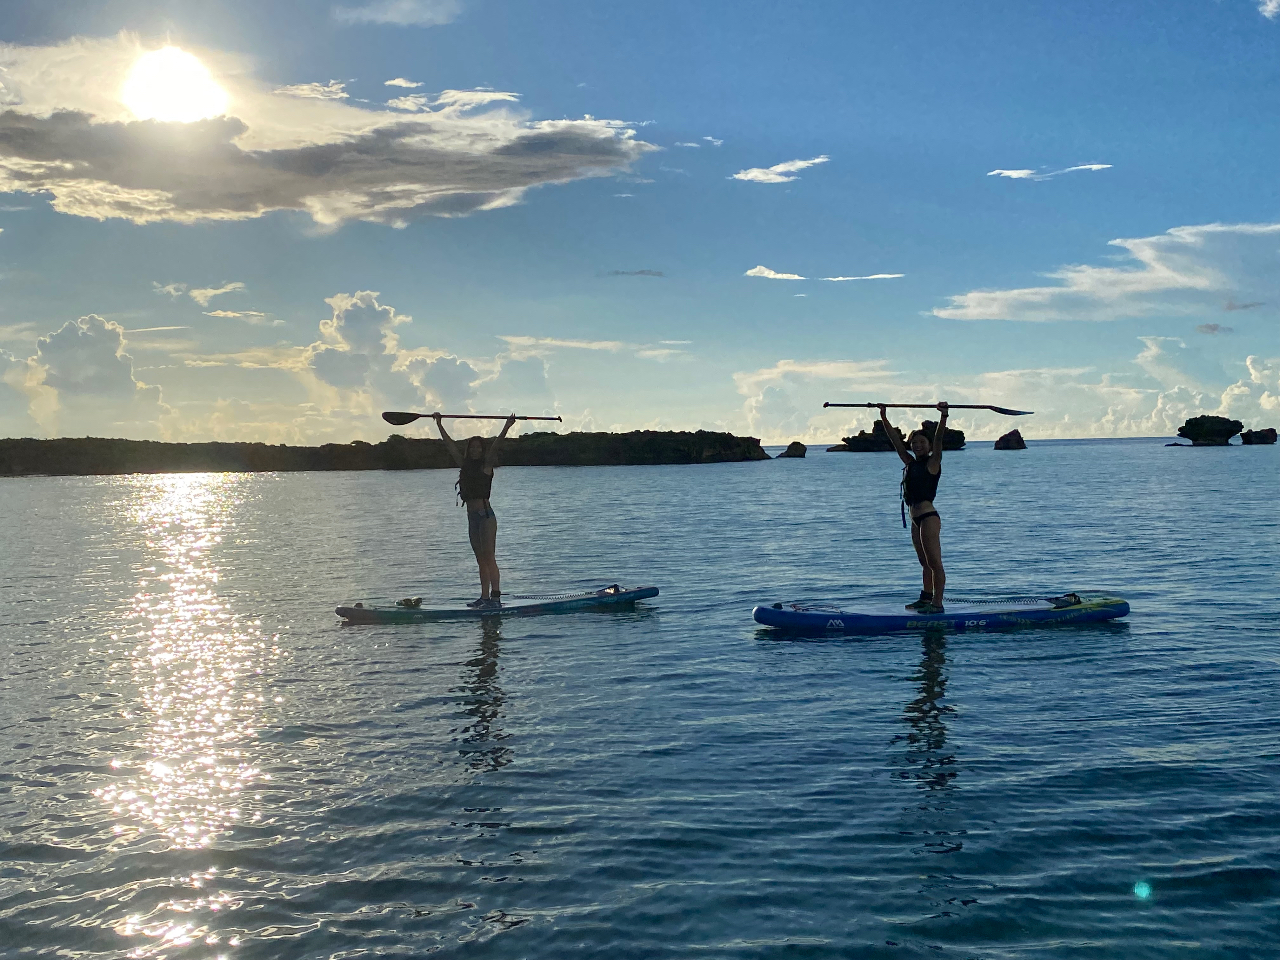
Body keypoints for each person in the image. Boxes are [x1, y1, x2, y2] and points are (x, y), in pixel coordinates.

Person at [433, 414, 517, 607]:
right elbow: (450, 445)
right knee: (480, 560)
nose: (475, 450)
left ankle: (495, 597)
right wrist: (439, 424)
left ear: (482, 450)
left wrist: (507, 426)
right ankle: (484, 598)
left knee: (489, 558)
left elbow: (496, 445)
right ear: (469, 450)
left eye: (479, 448)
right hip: (472, 518)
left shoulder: (487, 466)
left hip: (486, 517)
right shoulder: (464, 465)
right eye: (472, 448)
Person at [880, 402, 949, 614]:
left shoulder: (933, 462)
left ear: (928, 446)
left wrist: (944, 416)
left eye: (921, 442)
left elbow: (938, 440)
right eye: (914, 442)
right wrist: (884, 416)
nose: (917, 445)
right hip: (914, 518)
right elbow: (895, 442)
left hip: (928, 517)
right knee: (923, 562)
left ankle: (937, 604)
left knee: (934, 561)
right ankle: (925, 598)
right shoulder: (909, 462)